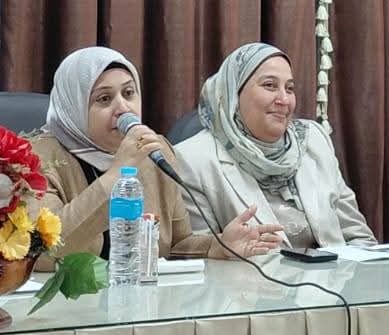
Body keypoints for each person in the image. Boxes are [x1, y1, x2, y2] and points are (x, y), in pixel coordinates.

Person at [31, 46, 282, 267]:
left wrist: (218, 246)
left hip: (139, 297)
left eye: (129, 93)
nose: (123, 108)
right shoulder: (35, 160)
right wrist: (118, 173)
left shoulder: (153, 150)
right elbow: (42, 251)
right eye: (105, 99)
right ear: (73, 107)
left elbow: (176, 244)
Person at [174, 43, 375, 257]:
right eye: (270, 85)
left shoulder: (314, 141)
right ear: (233, 93)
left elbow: (359, 237)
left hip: (336, 276)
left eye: (289, 88)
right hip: (251, 279)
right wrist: (221, 248)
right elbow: (194, 259)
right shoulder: (192, 160)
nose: (284, 100)